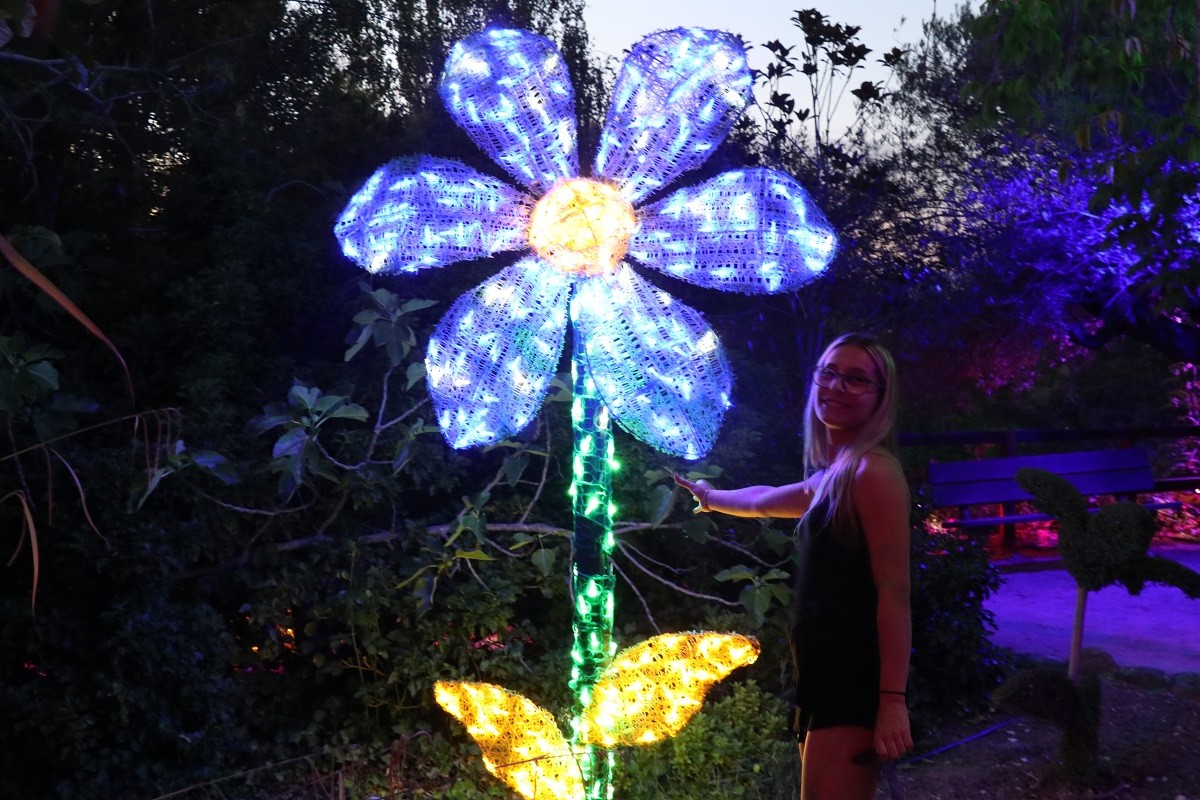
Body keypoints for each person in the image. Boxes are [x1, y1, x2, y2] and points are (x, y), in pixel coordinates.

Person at [675, 332, 912, 800]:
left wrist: (891, 702)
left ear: (880, 399)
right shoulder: (835, 476)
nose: (837, 386)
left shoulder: (873, 473)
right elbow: (762, 500)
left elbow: (895, 593)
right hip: (823, 672)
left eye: (856, 379)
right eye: (829, 372)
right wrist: (709, 497)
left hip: (852, 676)